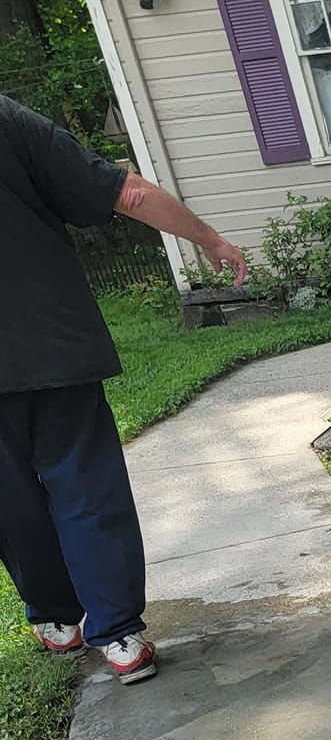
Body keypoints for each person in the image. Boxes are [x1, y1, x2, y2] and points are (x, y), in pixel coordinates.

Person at [0, 95, 246, 683]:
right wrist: (208, 237)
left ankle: (58, 621)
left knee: (11, 504)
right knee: (87, 485)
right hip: (56, 346)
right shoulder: (8, 120)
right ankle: (119, 637)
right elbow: (128, 193)